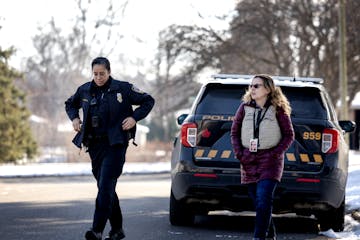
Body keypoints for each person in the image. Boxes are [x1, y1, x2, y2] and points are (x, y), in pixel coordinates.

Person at [65, 57, 155, 240]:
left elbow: (148, 100)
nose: (98, 77)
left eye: (102, 74)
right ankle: (117, 230)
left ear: (109, 72)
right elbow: (70, 104)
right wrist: (75, 118)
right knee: (106, 188)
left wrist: (134, 118)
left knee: (105, 185)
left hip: (115, 145)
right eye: (95, 74)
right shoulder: (85, 90)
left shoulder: (123, 88)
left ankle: (96, 230)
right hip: (95, 145)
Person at [230, 74, 294, 240]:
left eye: (257, 86)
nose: (252, 89)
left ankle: (258, 237)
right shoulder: (244, 108)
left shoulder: (278, 109)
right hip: (248, 160)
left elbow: (289, 135)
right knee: (258, 202)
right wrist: (240, 154)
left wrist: (275, 153)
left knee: (263, 199)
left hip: (270, 161)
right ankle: (270, 234)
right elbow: (234, 132)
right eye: (251, 85)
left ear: (268, 89)